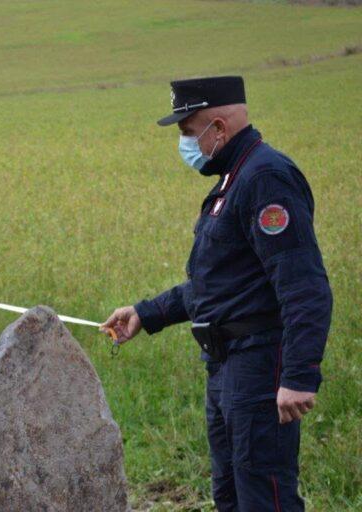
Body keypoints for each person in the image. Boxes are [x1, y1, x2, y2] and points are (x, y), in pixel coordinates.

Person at [101, 76, 332, 511]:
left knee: (263, 495)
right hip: (225, 364)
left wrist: (299, 376)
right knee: (229, 492)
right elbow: (220, 284)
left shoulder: (266, 179)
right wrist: (146, 314)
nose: (186, 145)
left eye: (189, 133)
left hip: (258, 363)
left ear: (220, 128)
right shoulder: (232, 181)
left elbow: (304, 284)